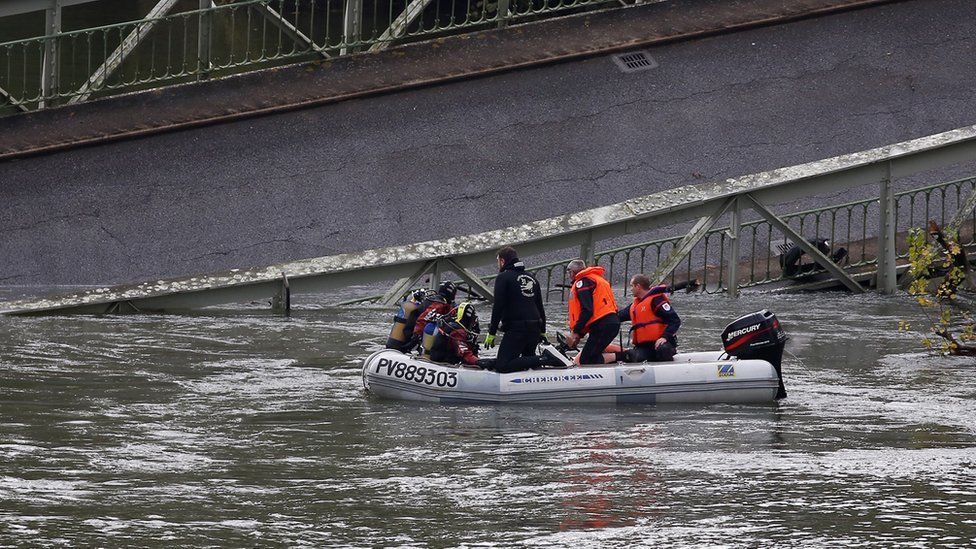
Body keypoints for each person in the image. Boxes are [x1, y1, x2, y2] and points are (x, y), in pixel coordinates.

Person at [483, 246, 569, 372]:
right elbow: (540, 306)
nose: (498, 265)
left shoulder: (503, 277)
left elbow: (498, 306)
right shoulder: (532, 278)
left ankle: (546, 359)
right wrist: (543, 331)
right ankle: (541, 362)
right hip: (535, 328)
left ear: (502, 261)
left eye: (498, 262)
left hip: (517, 329)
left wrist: (492, 332)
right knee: (528, 362)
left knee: (503, 365)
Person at [565, 259, 621, 365]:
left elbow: (587, 310)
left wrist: (575, 332)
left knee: (587, 360)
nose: (568, 275)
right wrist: (579, 334)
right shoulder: (596, 279)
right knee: (591, 354)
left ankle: (622, 356)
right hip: (608, 323)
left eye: (568, 272)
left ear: (571, 272)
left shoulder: (583, 282)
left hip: (603, 325)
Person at [615, 274, 680, 362]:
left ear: (638, 286)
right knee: (633, 356)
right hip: (645, 347)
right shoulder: (634, 306)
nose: (630, 289)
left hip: (661, 344)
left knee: (663, 349)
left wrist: (664, 337)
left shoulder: (657, 300)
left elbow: (675, 320)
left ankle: (668, 370)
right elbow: (618, 316)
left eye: (631, 286)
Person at [429, 301, 482, 366]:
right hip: (445, 364)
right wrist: (480, 362)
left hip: (440, 360)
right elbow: (465, 354)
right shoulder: (458, 331)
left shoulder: (452, 325)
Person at [411, 280, 458, 351]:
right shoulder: (439, 304)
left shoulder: (432, 300)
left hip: (414, 332)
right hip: (417, 335)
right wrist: (416, 336)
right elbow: (423, 319)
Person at [780, 238, 848, 278]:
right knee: (821, 265)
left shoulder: (812, 242)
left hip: (787, 267)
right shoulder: (816, 243)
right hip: (790, 271)